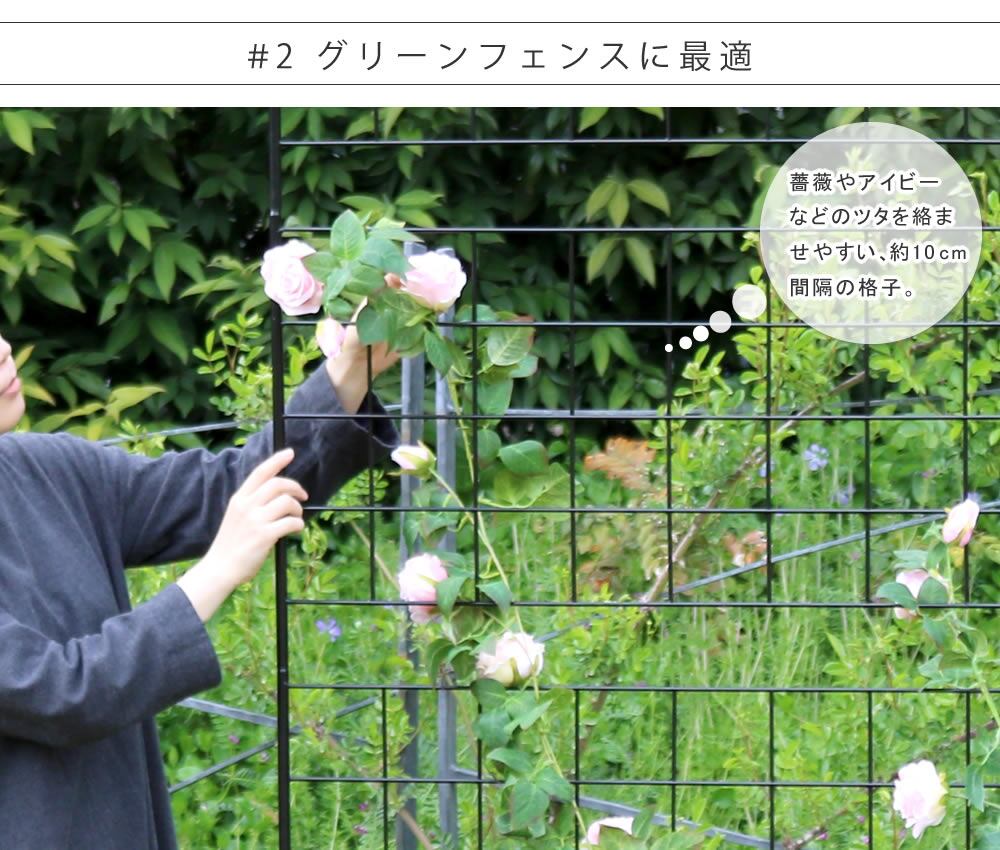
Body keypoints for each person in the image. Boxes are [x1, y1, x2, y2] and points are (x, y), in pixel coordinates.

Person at [0, 300, 402, 848]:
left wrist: (349, 368)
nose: (5, 351)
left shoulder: (43, 469)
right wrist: (216, 572)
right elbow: (62, 692)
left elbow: (229, 490)